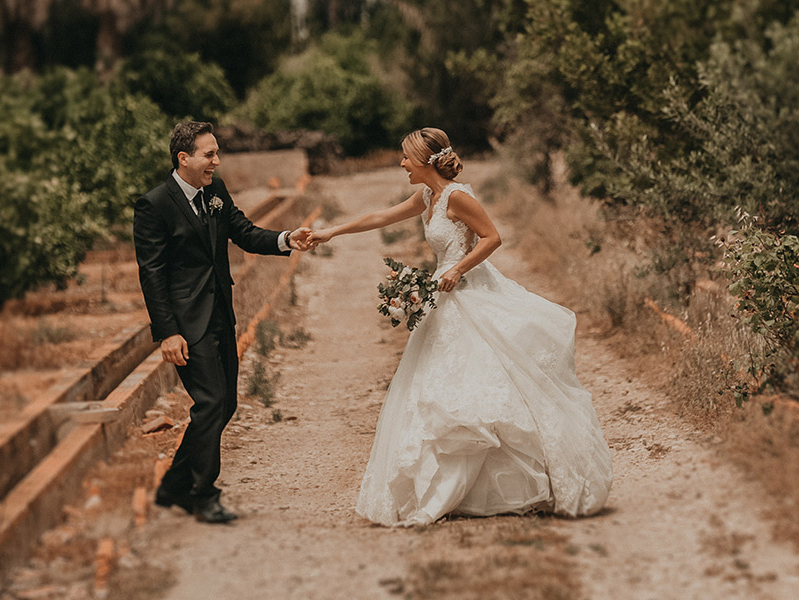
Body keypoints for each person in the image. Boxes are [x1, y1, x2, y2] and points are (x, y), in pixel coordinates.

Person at [309, 127, 613, 526]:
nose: (401, 163)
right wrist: (332, 231)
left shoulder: (457, 196)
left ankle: (521, 478)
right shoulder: (427, 196)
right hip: (444, 292)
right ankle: (458, 489)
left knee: (488, 381)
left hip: (469, 289)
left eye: (405, 157)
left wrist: (458, 268)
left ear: (425, 160)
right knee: (437, 382)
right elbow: (382, 216)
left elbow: (492, 238)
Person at [134, 121, 313, 523]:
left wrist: (287, 239)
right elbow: (152, 274)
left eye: (216, 153)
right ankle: (203, 494)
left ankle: (173, 487)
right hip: (186, 323)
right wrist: (168, 332)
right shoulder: (154, 205)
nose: (217, 160)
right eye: (209, 154)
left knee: (225, 403)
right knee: (212, 403)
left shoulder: (215, 192)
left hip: (220, 315)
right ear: (184, 158)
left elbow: (245, 233)